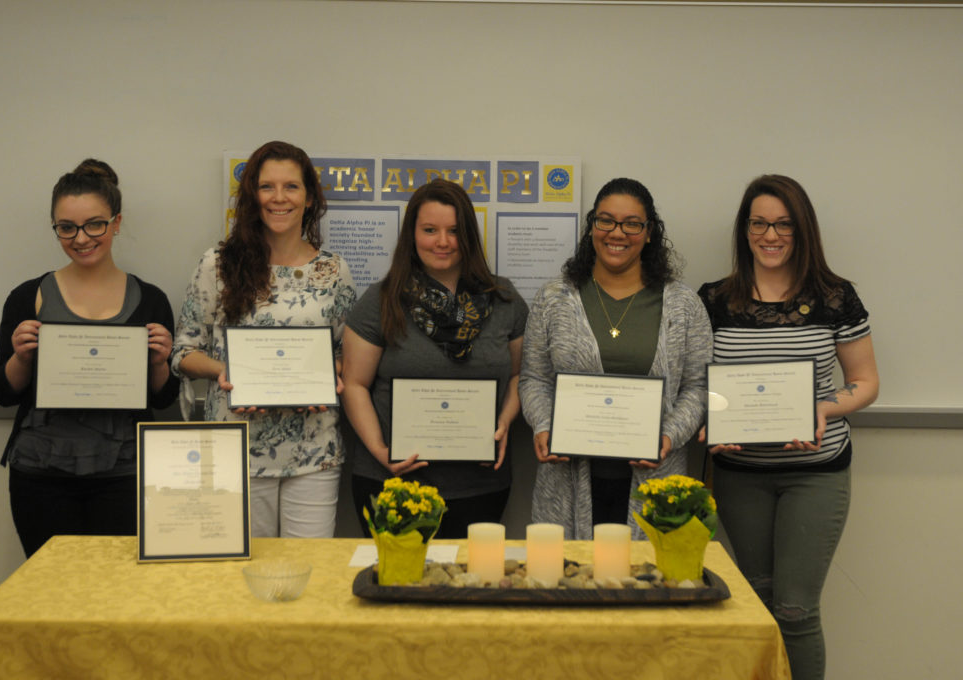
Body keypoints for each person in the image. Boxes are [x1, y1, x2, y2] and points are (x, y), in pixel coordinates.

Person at [697, 174, 878, 680]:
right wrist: (713, 419)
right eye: (759, 223)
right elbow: (696, 383)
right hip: (739, 473)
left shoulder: (835, 298)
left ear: (802, 231)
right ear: (744, 229)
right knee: (756, 603)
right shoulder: (713, 300)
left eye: (782, 224)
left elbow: (865, 382)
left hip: (814, 473)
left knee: (796, 611)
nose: (770, 235)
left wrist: (822, 410)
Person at [0, 159, 179, 557]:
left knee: (116, 593)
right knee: (50, 593)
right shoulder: (27, 296)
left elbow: (162, 399)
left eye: (95, 224)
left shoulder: (152, 300)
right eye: (66, 228)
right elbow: (2, 392)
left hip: (125, 471)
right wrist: (21, 356)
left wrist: (160, 362)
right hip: (41, 471)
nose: (81, 238)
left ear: (116, 223)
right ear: (56, 228)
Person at [171, 141, 357, 538]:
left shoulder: (334, 270)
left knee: (308, 575)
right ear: (252, 197)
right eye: (266, 187)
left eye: (291, 187)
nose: (279, 198)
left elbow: (347, 354)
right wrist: (226, 369)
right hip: (234, 449)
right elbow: (183, 352)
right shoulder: (217, 264)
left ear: (309, 198)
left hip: (314, 452)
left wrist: (324, 375)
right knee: (239, 580)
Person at [519, 177, 711, 540]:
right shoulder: (554, 298)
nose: (617, 233)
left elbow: (698, 387)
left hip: (656, 482)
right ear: (592, 226)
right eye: (605, 220)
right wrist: (544, 425)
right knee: (570, 584)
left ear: (649, 232)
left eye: (632, 224)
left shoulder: (683, 305)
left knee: (649, 588)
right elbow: (534, 378)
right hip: (567, 480)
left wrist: (668, 436)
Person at [342, 179, 528, 538]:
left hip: (480, 485)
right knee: (398, 588)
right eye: (430, 230)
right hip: (392, 483)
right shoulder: (381, 300)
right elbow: (354, 384)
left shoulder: (504, 299)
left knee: (469, 587)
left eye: (454, 231)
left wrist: (505, 420)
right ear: (412, 234)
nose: (442, 242)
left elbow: (523, 376)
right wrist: (381, 451)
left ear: (469, 236)